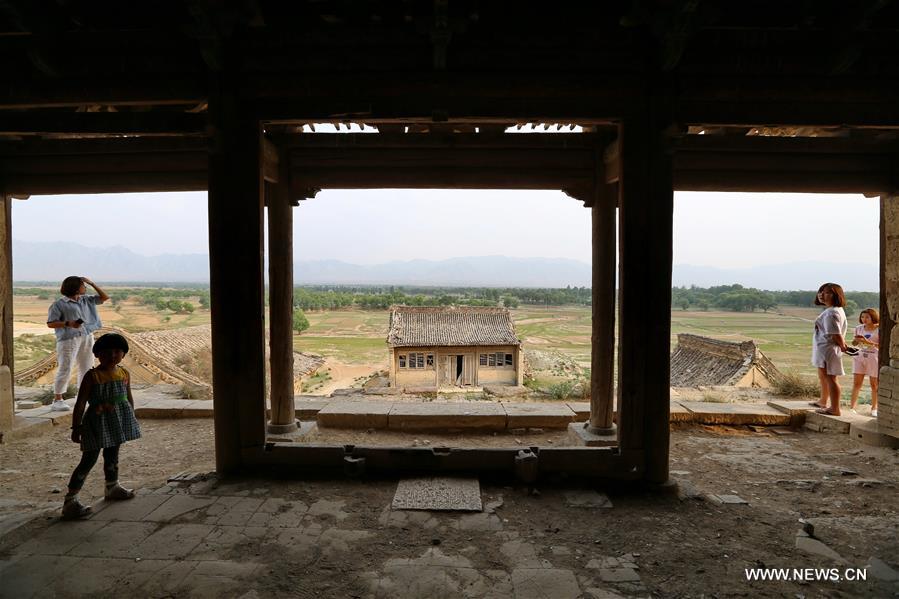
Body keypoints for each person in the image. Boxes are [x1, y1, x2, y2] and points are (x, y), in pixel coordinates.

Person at [62, 333, 141, 519]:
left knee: (113, 454)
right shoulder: (92, 376)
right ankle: (69, 501)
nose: (112, 355)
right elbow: (81, 403)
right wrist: (76, 427)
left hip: (118, 421)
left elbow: (128, 397)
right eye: (106, 352)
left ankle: (112, 486)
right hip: (97, 423)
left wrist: (131, 415)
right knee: (88, 460)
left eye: (117, 351)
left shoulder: (124, 373)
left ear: (123, 354)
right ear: (97, 355)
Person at [46, 276, 109, 411]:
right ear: (75, 287)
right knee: (66, 367)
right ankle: (57, 399)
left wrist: (92, 283)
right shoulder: (59, 304)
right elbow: (50, 323)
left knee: (87, 366)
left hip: (87, 336)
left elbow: (104, 297)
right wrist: (68, 323)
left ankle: (84, 395)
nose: (85, 287)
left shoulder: (87, 300)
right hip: (69, 339)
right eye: (83, 285)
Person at [810, 282, 849, 416]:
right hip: (825, 348)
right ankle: (823, 400)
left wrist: (843, 346)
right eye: (821, 291)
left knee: (830, 378)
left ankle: (834, 408)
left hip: (828, 349)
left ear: (836, 295)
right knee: (824, 376)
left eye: (827, 292)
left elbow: (835, 333)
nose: (822, 295)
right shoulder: (833, 310)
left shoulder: (831, 313)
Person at [849, 308, 880, 417]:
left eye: (867, 317)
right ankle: (852, 407)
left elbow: (882, 346)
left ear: (873, 317)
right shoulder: (858, 328)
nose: (864, 319)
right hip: (860, 356)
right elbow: (854, 343)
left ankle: (874, 408)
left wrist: (868, 342)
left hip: (874, 358)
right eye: (862, 317)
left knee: (874, 384)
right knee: (857, 383)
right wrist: (856, 341)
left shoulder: (879, 329)